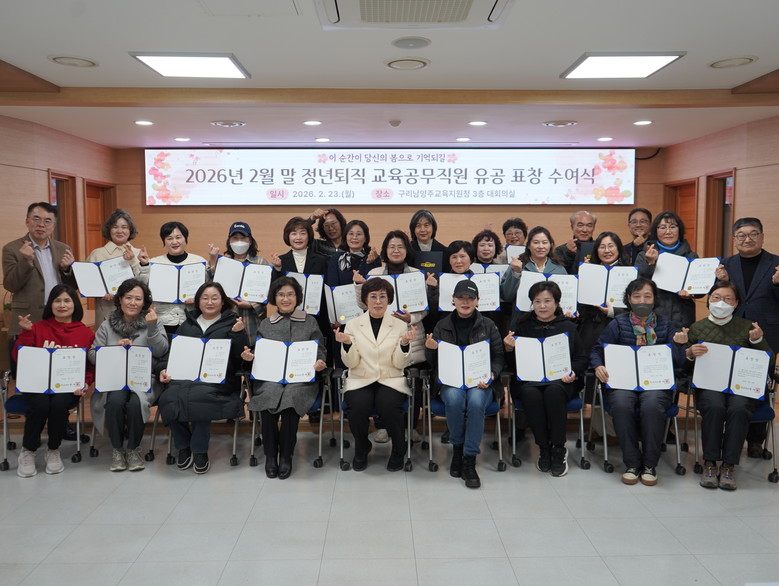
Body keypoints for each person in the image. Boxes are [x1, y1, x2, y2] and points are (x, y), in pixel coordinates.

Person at [591, 277, 687, 486]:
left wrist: (679, 345)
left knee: (652, 406)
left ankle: (650, 464)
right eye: (637, 296)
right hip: (623, 383)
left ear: (655, 299)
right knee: (621, 405)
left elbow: (679, 362)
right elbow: (598, 350)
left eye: (647, 296)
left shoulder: (666, 324)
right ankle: (632, 464)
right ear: (628, 299)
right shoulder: (618, 323)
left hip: (655, 384)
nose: (642, 301)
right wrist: (598, 366)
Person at [685, 280, 773, 490]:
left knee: (739, 408)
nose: (721, 303)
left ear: (736, 303)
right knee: (714, 406)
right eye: (716, 298)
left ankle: (728, 465)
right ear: (708, 300)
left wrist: (757, 341)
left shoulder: (748, 327)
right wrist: (689, 353)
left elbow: (767, 362)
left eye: (728, 299)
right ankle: (709, 462)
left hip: (740, 387)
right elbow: (685, 367)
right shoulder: (697, 328)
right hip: (710, 385)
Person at [157, 282, 248, 474]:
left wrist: (239, 335)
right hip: (184, 378)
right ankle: (183, 446)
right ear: (198, 301)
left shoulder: (233, 323)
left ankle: (199, 450)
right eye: (205, 298)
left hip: (218, 381)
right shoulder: (187, 325)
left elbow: (241, 360)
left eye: (215, 298)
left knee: (199, 398)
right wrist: (163, 369)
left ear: (223, 301)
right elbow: (172, 354)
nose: (210, 302)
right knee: (169, 397)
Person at [241, 277, 327, 479]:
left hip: (301, 379)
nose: (286, 299)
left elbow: (320, 350)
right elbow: (260, 354)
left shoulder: (309, 321)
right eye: (281, 295)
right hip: (271, 378)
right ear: (274, 298)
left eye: (290, 294)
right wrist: (250, 357)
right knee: (268, 397)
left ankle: (286, 455)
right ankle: (271, 456)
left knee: (291, 400)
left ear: (297, 297)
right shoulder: (266, 324)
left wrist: (320, 362)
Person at [425, 280, 504, 488]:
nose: (465, 302)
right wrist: (431, 350)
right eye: (461, 297)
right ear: (453, 299)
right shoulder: (442, 325)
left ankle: (469, 459)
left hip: (481, 382)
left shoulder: (488, 325)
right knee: (454, 399)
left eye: (470, 298)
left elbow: (498, 356)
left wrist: (492, 374)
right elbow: (432, 363)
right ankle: (457, 449)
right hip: (451, 381)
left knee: (476, 402)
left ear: (478, 300)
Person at [504, 281, 587, 477]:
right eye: (537, 301)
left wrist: (573, 372)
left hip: (561, 381)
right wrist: (508, 349)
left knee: (553, 392)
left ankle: (558, 448)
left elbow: (582, 359)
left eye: (547, 301)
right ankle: (544, 448)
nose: (542, 306)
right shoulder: (522, 326)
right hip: (529, 381)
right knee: (530, 394)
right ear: (532, 303)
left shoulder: (568, 327)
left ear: (557, 303)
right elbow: (512, 365)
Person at [334, 278, 415, 471]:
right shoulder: (353, 325)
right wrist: (347, 343)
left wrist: (404, 344)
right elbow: (351, 363)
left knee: (388, 404)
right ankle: (362, 447)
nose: (378, 301)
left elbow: (400, 363)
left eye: (382, 297)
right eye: (373, 297)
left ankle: (399, 449)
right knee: (357, 406)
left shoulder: (399, 325)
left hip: (390, 378)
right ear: (365, 299)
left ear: (389, 300)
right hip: (361, 378)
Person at [354, 230, 427, 443]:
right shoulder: (375, 272)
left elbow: (424, 308)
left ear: (407, 250)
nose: (396, 250)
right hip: (381, 334)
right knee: (383, 381)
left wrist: (410, 318)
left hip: (410, 334)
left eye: (400, 246)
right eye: (392, 246)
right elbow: (364, 304)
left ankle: (411, 426)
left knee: (413, 382)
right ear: (385, 250)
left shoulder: (416, 274)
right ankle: (383, 426)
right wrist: (359, 286)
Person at [13, 284, 94, 477]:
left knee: (58, 405)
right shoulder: (37, 328)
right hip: (37, 385)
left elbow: (90, 366)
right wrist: (26, 334)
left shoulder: (86, 333)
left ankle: (53, 449)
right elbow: (19, 357)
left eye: (67, 300)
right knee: (41, 405)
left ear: (75, 304)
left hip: (67, 388)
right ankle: (28, 451)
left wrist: (85, 382)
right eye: (57, 301)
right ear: (50, 304)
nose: (62, 305)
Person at [715, 218, 779, 457]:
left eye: (753, 234)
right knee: (730, 383)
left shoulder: (776, 264)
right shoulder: (726, 264)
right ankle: (729, 434)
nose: (747, 239)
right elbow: (717, 297)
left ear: (762, 236)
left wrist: (778, 285)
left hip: (766, 333)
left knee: (759, 384)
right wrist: (720, 281)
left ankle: (755, 440)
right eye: (741, 235)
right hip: (731, 332)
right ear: (734, 239)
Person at [88, 278, 168, 471]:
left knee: (135, 403)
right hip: (114, 379)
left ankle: (133, 449)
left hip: (144, 379)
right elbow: (92, 355)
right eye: (128, 297)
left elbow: (161, 351)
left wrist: (151, 327)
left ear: (144, 302)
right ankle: (117, 449)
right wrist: (114, 350)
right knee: (114, 402)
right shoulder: (107, 325)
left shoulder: (154, 321)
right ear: (120, 299)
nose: (133, 302)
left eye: (138, 299)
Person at [576, 231, 629, 445]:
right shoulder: (589, 271)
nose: (607, 251)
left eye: (611, 246)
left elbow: (636, 306)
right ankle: (598, 428)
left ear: (619, 249)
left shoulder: (628, 273)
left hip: (620, 330)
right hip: (591, 329)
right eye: (602, 246)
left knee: (615, 378)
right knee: (593, 379)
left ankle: (617, 430)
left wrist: (612, 311)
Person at [2, 202, 76, 340]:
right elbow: (10, 285)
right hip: (28, 320)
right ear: (27, 221)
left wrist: (67, 269)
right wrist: (26, 262)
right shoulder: (12, 248)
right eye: (36, 219)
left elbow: (73, 287)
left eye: (47, 221)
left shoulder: (64, 249)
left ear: (53, 226)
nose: (41, 225)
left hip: (58, 318)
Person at [138, 221, 208, 336]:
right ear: (164, 241)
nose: (174, 242)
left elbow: (209, 290)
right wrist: (145, 266)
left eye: (178, 237)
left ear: (185, 239)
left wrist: (198, 299)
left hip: (192, 320)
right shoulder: (154, 263)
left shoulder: (199, 262)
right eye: (169, 238)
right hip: (162, 321)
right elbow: (141, 289)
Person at [207, 221, 271, 341]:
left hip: (253, 325)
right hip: (226, 323)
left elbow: (268, 293)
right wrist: (213, 260)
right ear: (229, 241)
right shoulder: (222, 262)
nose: (239, 242)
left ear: (250, 241)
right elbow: (209, 288)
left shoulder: (261, 263)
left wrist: (252, 305)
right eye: (235, 238)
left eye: (243, 238)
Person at [635, 211, 699, 329]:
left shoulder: (691, 256)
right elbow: (638, 284)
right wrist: (650, 263)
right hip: (652, 316)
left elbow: (700, 289)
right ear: (655, 230)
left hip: (682, 316)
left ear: (679, 230)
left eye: (673, 227)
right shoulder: (643, 255)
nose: (668, 232)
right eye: (663, 227)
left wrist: (691, 293)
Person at [86, 208, 143, 327]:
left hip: (134, 312)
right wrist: (101, 292)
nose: (119, 231)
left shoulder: (138, 253)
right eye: (115, 227)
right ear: (109, 229)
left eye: (124, 227)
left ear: (130, 230)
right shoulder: (97, 253)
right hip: (106, 310)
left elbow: (144, 283)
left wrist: (133, 260)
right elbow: (88, 283)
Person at [500, 226, 567, 305]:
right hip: (523, 312)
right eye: (536, 242)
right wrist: (516, 272)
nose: (541, 246)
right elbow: (507, 296)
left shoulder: (559, 268)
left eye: (544, 242)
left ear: (551, 245)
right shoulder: (517, 265)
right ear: (528, 245)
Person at [325, 219, 381, 287]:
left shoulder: (373, 258)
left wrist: (369, 264)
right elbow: (331, 285)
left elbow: (374, 286)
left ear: (365, 238)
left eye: (359, 234)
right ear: (345, 237)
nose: (354, 237)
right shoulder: (336, 258)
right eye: (351, 234)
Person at [409, 209, 450, 273]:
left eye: (426, 225)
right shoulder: (408, 250)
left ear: (433, 227)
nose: (422, 230)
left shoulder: (444, 251)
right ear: (413, 229)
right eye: (418, 226)